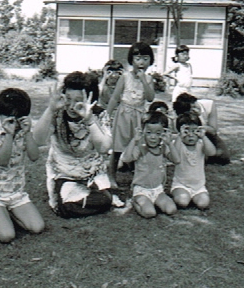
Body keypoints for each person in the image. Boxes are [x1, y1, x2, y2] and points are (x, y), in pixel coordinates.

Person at [33, 71, 115, 218]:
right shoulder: (58, 113)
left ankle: (79, 198)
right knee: (65, 208)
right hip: (64, 172)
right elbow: (38, 140)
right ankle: (69, 199)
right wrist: (51, 109)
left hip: (92, 173)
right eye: (68, 99)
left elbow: (104, 148)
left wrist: (89, 120)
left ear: (90, 99)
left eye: (78, 100)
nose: (71, 106)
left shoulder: (99, 114)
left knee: (105, 200)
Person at [0, 88, 45, 243]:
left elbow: (34, 156)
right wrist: (9, 135)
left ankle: (9, 214)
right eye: (9, 118)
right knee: (6, 236)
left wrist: (28, 133)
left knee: (37, 227)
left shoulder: (23, 132)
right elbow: (2, 160)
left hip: (17, 194)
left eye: (18, 118)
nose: (14, 123)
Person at [106, 42, 156, 184]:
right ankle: (111, 176)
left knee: (138, 147)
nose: (142, 62)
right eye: (138, 58)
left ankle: (137, 177)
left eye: (145, 59)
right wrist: (106, 115)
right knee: (117, 149)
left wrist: (144, 81)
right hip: (123, 115)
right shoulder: (125, 77)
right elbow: (115, 97)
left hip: (139, 117)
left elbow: (150, 98)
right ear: (132, 60)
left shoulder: (149, 79)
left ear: (150, 61)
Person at [120, 110, 180, 218]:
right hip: (142, 190)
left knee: (171, 209)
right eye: (149, 133)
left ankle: (154, 202)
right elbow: (126, 158)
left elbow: (177, 160)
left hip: (157, 189)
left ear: (164, 133)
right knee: (150, 213)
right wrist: (134, 140)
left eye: (158, 133)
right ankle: (135, 201)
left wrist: (170, 143)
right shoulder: (140, 148)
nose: (153, 137)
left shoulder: (163, 148)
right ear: (143, 132)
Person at [171, 113, 217, 210]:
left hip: (199, 186)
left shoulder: (201, 144)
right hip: (181, 184)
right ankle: (182, 195)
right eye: (186, 132)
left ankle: (194, 196)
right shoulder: (178, 143)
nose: (191, 135)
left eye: (194, 131)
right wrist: (180, 136)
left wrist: (204, 136)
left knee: (203, 204)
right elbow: (174, 156)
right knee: (182, 202)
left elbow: (212, 152)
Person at [173, 92, 230, 164]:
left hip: (207, 135)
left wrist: (199, 118)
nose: (196, 109)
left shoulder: (209, 105)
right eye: (192, 108)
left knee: (223, 156)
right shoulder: (181, 111)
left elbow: (213, 130)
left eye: (195, 105)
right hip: (190, 135)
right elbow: (178, 130)